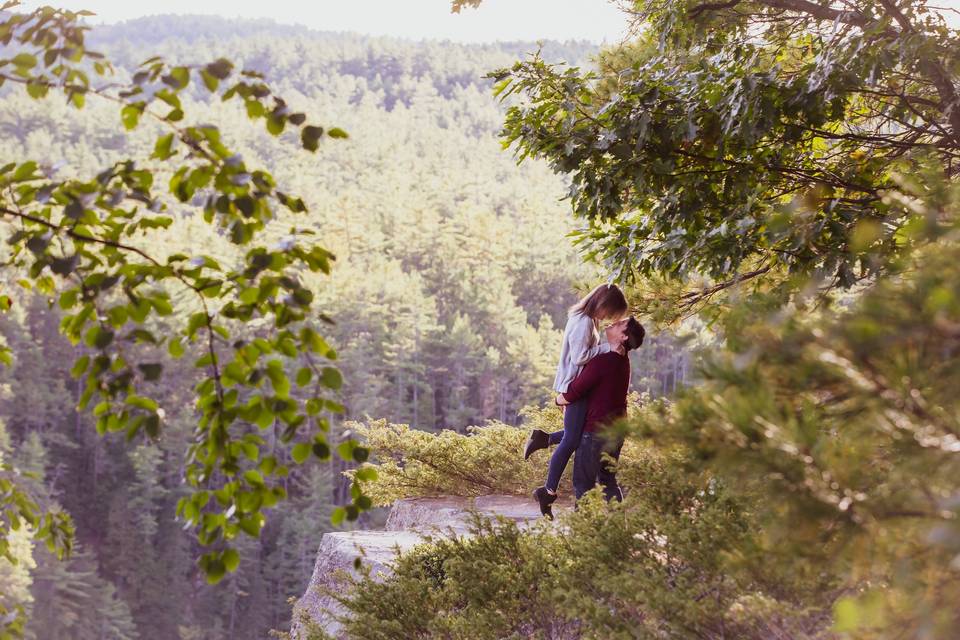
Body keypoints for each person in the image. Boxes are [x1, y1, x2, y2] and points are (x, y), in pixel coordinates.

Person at [524, 284, 628, 516]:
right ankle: (548, 491)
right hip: (573, 384)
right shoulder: (583, 322)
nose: (609, 318)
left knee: (580, 433)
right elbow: (580, 357)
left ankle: (545, 438)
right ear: (602, 304)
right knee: (572, 439)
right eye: (609, 312)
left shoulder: (587, 318)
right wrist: (607, 347)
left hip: (574, 384)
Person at [560, 316, 644, 503]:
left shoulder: (604, 360)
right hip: (616, 431)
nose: (613, 322)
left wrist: (559, 400)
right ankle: (616, 526)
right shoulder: (623, 359)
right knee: (608, 481)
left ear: (624, 337)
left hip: (595, 433)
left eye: (620, 324)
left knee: (583, 485)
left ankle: (586, 530)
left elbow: (575, 390)